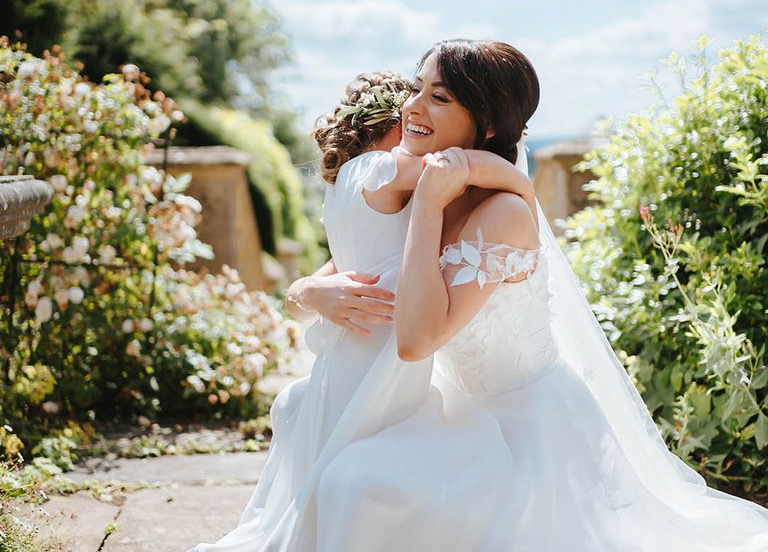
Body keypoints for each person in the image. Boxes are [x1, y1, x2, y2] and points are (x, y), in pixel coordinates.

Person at [312, 39, 768, 551]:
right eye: (416, 89)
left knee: (356, 482)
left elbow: (416, 341)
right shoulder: (434, 182)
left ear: (486, 124)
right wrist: (307, 288)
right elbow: (349, 263)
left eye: (438, 98)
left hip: (526, 436)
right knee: (345, 471)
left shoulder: (498, 213)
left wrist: (432, 208)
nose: (412, 107)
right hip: (456, 416)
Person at [192, 69, 535, 551]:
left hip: (412, 365)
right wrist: (521, 178)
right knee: (341, 441)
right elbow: (447, 173)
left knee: (343, 453)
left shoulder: (375, 186)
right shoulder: (389, 174)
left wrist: (310, 291)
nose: (415, 114)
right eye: (411, 101)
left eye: (433, 99)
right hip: (383, 355)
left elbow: (345, 268)